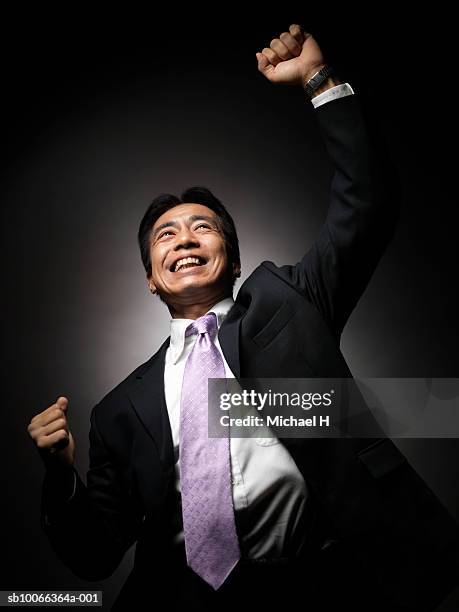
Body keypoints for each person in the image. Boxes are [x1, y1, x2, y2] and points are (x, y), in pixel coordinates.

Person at [27, 24, 459, 611]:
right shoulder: (119, 413)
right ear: (151, 277)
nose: (185, 238)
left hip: (325, 592)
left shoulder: (291, 303)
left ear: (231, 258)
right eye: (165, 234)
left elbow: (369, 202)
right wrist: (59, 474)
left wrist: (318, 80)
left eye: (203, 227)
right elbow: (94, 555)